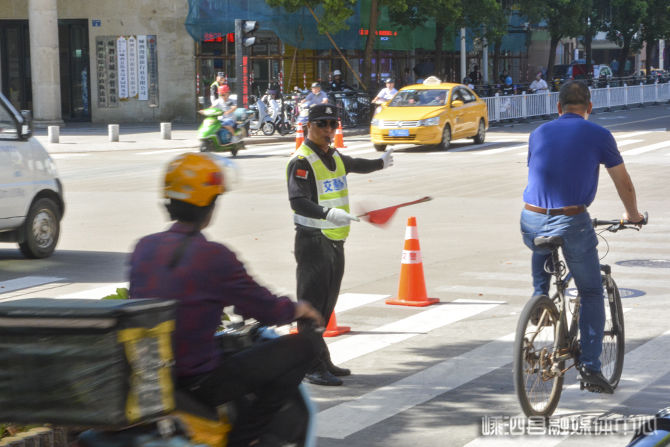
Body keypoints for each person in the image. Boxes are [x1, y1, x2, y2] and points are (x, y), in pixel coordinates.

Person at [129, 152, 324, 447]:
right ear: (210, 205)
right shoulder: (214, 256)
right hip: (198, 382)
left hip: (152, 379)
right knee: (306, 346)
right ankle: (245, 439)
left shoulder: (143, 248)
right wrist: (299, 309)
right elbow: (266, 309)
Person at [520, 80, 644, 394]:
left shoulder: (539, 133)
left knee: (541, 241)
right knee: (590, 291)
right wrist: (632, 215)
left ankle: (539, 298)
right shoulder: (599, 134)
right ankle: (590, 366)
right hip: (571, 220)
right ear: (589, 109)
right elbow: (623, 182)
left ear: (558, 107)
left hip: (530, 218)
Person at [286, 104, 394, 386]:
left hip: (334, 240)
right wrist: (327, 213)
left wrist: (380, 162)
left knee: (326, 305)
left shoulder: (331, 155)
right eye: (322, 124)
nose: (328, 130)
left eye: (333, 124)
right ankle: (310, 366)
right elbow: (298, 201)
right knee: (311, 307)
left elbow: (353, 164)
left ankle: (321, 358)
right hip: (313, 241)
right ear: (309, 126)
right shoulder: (302, 160)